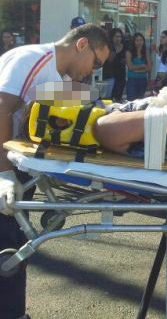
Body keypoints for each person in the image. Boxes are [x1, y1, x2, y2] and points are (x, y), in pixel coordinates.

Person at [0, 24, 110, 319]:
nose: (92, 71)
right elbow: (1, 109)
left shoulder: (62, 78)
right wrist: (3, 174)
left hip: (18, 163)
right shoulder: (32, 59)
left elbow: (77, 107)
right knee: (7, 248)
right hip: (4, 164)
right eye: (95, 63)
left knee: (15, 245)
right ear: (82, 44)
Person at [101, 28, 127, 100]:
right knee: (108, 98)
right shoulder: (108, 47)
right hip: (109, 75)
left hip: (121, 76)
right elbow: (108, 60)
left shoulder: (125, 47)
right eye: (116, 37)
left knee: (118, 98)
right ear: (112, 37)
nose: (118, 39)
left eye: (120, 36)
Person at [125, 33, 151, 100]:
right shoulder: (129, 52)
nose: (139, 42)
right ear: (133, 41)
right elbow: (130, 67)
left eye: (141, 40)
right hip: (132, 80)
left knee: (140, 102)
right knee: (131, 101)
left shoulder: (146, 52)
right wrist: (143, 66)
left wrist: (136, 69)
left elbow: (149, 68)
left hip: (143, 80)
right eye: (137, 40)